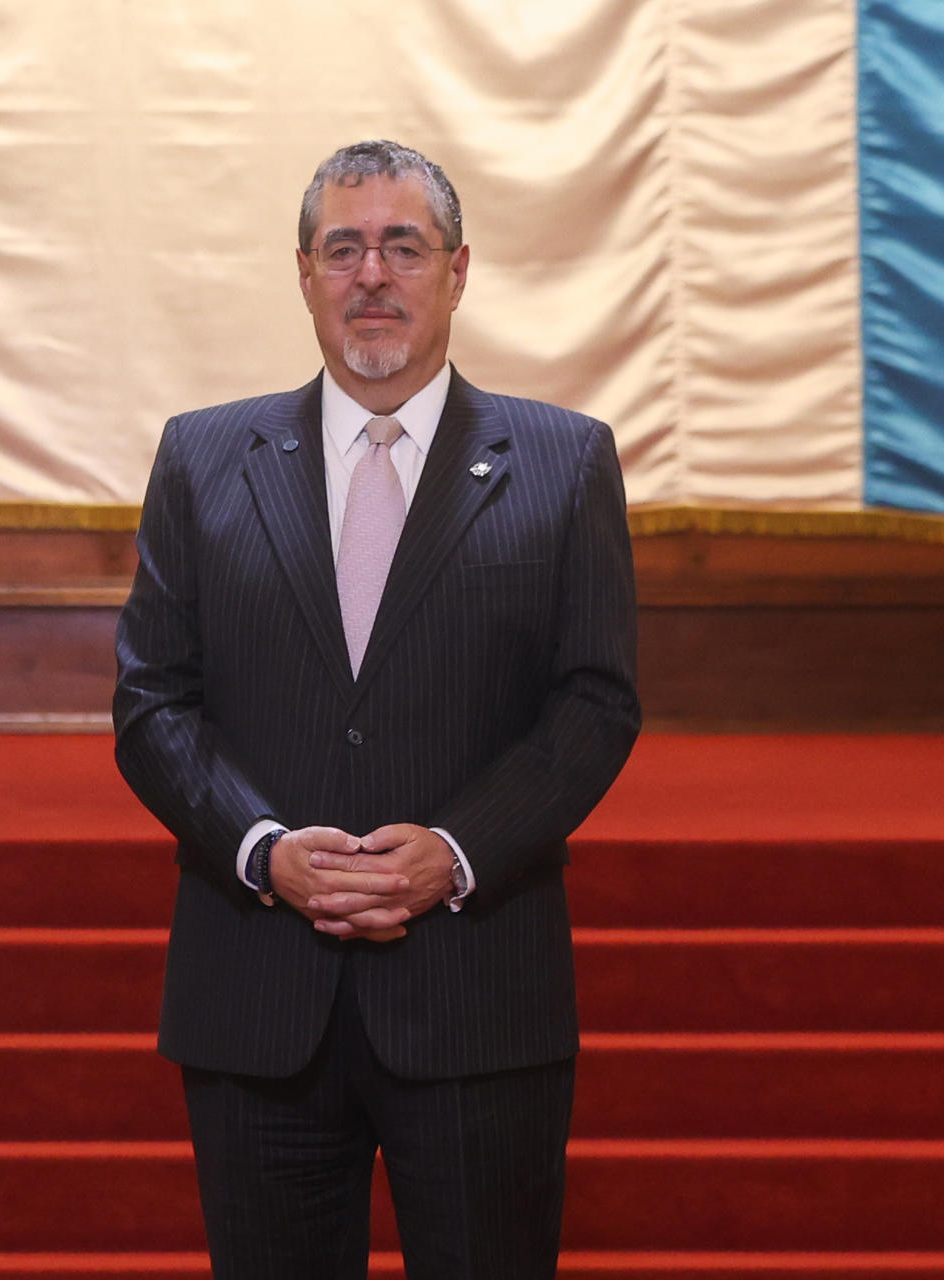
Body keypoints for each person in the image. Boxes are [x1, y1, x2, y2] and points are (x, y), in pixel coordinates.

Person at [113, 139, 640, 1278]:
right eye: (343, 247)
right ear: (302, 271)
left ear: (458, 270)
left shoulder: (564, 461)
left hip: (475, 991)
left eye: (403, 245)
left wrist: (452, 851)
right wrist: (262, 849)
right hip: (259, 990)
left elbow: (594, 702)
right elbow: (153, 698)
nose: (373, 274)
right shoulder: (205, 458)